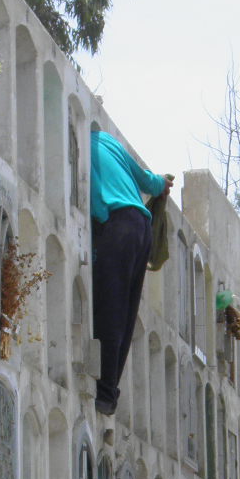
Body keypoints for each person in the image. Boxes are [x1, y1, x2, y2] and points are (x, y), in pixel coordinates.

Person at [89, 130, 170, 416]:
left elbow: (95, 201)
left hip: (118, 225)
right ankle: (109, 392)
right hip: (142, 228)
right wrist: (162, 184)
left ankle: (104, 391)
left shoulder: (73, 139)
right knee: (125, 312)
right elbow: (147, 179)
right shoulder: (107, 140)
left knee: (109, 307)